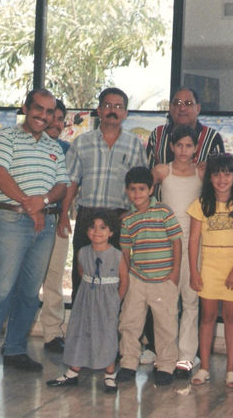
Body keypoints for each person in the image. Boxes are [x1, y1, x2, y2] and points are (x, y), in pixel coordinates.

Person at [0, 89, 69, 382]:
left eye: (49, 111)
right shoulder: (5, 138)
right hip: (13, 220)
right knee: (0, 290)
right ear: (26, 108)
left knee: (29, 292)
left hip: (46, 225)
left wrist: (45, 202)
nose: (43, 115)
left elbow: (62, 185)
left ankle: (14, 350)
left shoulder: (54, 146)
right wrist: (31, 205)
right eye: (38, 108)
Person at [64, 88, 146, 303]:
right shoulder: (82, 143)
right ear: (99, 110)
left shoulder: (135, 144)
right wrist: (64, 214)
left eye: (118, 106)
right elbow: (71, 181)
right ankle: (82, 333)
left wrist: (134, 216)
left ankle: (110, 333)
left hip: (121, 219)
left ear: (125, 113)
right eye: (108, 105)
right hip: (87, 218)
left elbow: (141, 185)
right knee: (82, 277)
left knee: (116, 279)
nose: (113, 110)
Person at [188, 154, 233, 388]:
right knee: (206, 317)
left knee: (231, 318)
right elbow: (193, 240)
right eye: (216, 174)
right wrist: (194, 272)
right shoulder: (200, 205)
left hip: (232, 267)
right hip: (209, 267)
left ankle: (230, 370)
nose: (221, 179)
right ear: (209, 178)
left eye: (227, 173)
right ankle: (204, 367)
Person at [46, 209, 129, 393]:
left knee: (106, 333)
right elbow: (83, 272)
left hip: (107, 300)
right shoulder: (83, 252)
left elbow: (124, 279)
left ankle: (109, 374)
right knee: (80, 331)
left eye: (102, 227)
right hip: (86, 299)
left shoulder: (116, 255)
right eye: (92, 227)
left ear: (111, 232)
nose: (97, 231)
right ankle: (73, 370)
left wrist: (117, 299)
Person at [116, 166, 183, 387]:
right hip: (137, 279)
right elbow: (125, 251)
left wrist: (174, 275)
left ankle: (165, 365)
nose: (137, 194)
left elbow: (176, 242)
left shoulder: (164, 212)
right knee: (129, 322)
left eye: (142, 189)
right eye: (133, 189)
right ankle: (128, 362)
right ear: (127, 191)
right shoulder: (128, 219)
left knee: (165, 325)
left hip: (163, 279)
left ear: (151, 189)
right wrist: (127, 278)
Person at [152, 124, 204, 378]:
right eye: (179, 145)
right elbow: (142, 196)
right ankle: (166, 355)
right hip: (166, 240)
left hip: (195, 240)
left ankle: (186, 356)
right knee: (167, 301)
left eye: (189, 146)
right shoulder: (162, 171)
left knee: (191, 299)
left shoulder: (201, 172)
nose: (184, 150)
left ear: (196, 148)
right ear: (171, 146)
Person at [40, 99, 72, 353]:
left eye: (61, 119)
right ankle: (12, 333)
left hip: (58, 219)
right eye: (53, 117)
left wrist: (63, 217)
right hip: (27, 220)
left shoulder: (68, 150)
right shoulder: (26, 145)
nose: (57, 123)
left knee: (53, 279)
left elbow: (71, 188)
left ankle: (53, 333)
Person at [146, 86, 224, 170]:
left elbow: (222, 174)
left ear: (198, 108)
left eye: (188, 103)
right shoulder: (158, 134)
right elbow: (147, 174)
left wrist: (209, 170)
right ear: (170, 108)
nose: (182, 108)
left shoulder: (212, 138)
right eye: (177, 103)